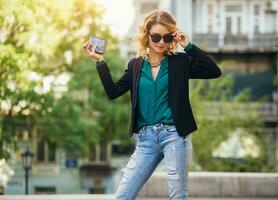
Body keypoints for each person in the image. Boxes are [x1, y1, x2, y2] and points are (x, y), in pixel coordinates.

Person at [83, 9, 221, 200]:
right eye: (156, 37)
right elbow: (113, 92)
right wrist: (100, 62)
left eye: (166, 37)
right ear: (146, 36)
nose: (161, 42)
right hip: (146, 139)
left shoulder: (180, 62)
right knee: (123, 196)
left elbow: (214, 71)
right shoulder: (135, 65)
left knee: (178, 196)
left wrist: (188, 46)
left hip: (175, 136)